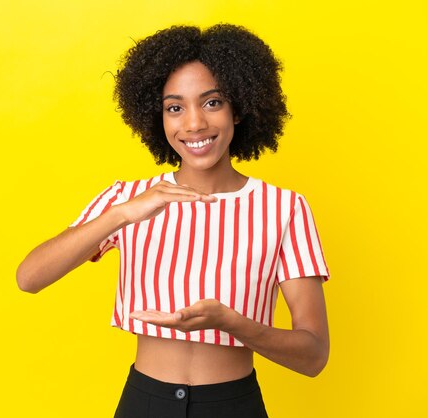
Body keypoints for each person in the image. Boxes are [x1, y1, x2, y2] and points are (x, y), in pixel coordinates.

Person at [17, 23, 330, 418]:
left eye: (212, 102)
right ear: (156, 116)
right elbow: (29, 278)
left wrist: (233, 323)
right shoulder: (128, 200)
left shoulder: (283, 209)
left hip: (233, 405)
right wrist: (122, 214)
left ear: (240, 106)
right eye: (175, 107)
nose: (194, 123)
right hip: (144, 402)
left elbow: (313, 355)